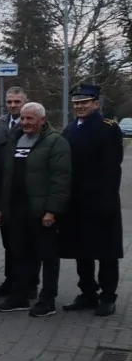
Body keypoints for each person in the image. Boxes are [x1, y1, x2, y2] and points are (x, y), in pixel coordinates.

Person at [0, 102, 71, 317]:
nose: (25, 122)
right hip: (16, 211)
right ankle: (19, 296)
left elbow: (61, 180)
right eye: (22, 118)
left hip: (41, 213)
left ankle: (47, 300)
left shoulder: (56, 142)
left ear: (42, 120)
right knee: (19, 254)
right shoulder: (14, 139)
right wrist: (1, 207)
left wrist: (51, 211)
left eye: (30, 118)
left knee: (47, 257)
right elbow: (7, 177)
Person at [60, 85, 122, 317]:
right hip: (76, 202)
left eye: (85, 102)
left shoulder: (108, 128)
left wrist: (106, 201)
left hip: (100, 201)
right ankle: (87, 293)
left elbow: (111, 168)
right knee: (81, 251)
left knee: (106, 252)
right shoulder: (69, 130)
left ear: (96, 103)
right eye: (76, 103)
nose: (80, 106)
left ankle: (107, 296)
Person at [0, 87, 27, 299]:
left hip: (24, 193)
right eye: (9, 102)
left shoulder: (31, 122)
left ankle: (28, 285)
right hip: (4, 193)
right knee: (8, 243)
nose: (12, 105)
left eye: (17, 102)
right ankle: (10, 282)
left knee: (26, 245)